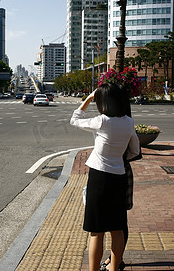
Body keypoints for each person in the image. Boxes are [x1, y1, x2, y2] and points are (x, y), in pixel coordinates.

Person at [70, 83, 140, 271]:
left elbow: (75, 119)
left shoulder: (102, 121)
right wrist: (118, 158)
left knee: (96, 231)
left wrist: (88, 99)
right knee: (117, 228)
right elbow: (135, 150)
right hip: (118, 176)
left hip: (99, 178)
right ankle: (114, 268)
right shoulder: (128, 122)